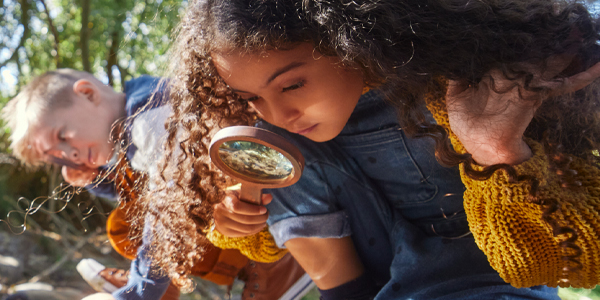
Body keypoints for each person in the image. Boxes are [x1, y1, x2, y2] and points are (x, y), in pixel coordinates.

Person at [137, 0, 600, 299]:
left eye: (292, 84)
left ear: (350, 37)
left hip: (487, 287)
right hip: (371, 287)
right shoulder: (276, 134)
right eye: (252, 97)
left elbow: (579, 265)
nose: (278, 112)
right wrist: (236, 220)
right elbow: (264, 246)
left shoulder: (475, 88)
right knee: (275, 144)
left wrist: (496, 149)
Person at [1, 69, 313, 300]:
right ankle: (253, 267)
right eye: (57, 157)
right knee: (127, 223)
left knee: (153, 224)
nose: (68, 154)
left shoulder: (148, 119)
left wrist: (139, 291)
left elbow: (166, 220)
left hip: (276, 200)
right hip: (243, 214)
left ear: (87, 93)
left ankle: (283, 266)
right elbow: (135, 194)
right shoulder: (131, 129)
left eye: (63, 137)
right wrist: (95, 178)